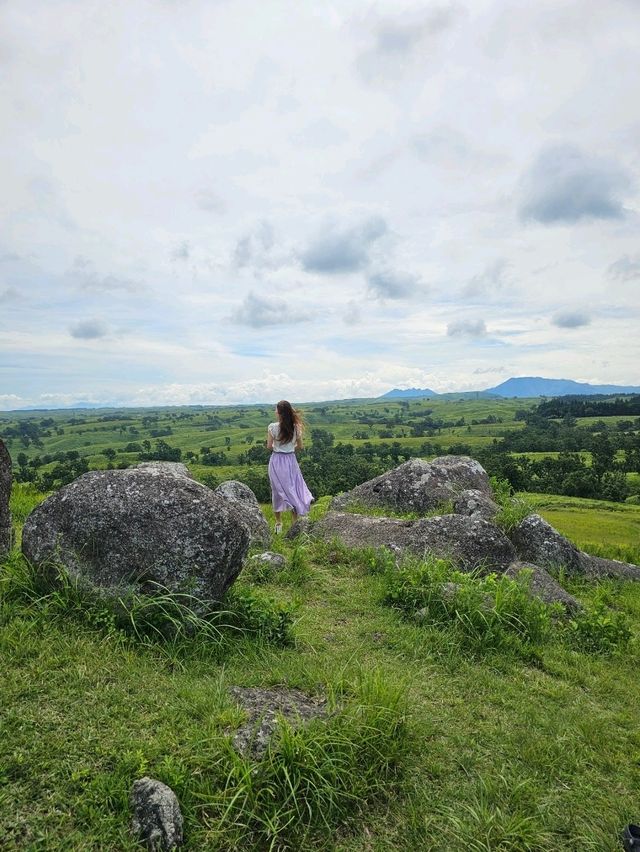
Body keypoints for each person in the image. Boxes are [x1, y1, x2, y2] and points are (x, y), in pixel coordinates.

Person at [267, 400, 313, 534]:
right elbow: (300, 446)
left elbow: (269, 446)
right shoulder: (296, 427)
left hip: (276, 460)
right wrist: (290, 448)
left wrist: (278, 446)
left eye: (276, 409)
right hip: (290, 461)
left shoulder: (272, 427)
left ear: (279, 412)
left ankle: (278, 523)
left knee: (276, 490)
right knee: (293, 488)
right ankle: (294, 523)